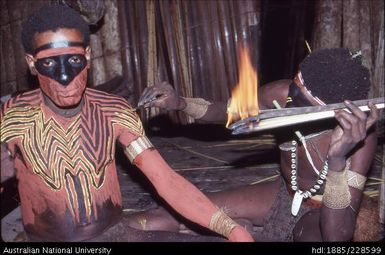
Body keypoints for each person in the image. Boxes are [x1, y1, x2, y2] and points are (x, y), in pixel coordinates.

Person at [0, 4, 254, 242]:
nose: (65, 77)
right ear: (32, 63)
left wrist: (230, 228)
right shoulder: (14, 117)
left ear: (88, 56)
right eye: (49, 63)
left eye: (74, 60)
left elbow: (166, 180)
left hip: (115, 235)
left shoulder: (114, 111)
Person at [132, 48, 380, 241]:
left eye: (301, 101)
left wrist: (337, 160)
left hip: (323, 213)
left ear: (334, 112)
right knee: (176, 214)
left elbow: (337, 235)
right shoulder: (279, 95)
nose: (290, 100)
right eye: (294, 87)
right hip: (283, 194)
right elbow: (226, 111)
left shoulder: (360, 137)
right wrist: (180, 103)